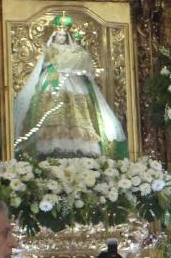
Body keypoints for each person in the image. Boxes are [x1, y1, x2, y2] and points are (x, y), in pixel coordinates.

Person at [9, 15, 128, 160]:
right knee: (52, 109)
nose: (61, 37)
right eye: (59, 35)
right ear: (54, 35)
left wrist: (75, 68)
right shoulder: (50, 49)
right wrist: (55, 78)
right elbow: (46, 65)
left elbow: (85, 64)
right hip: (54, 78)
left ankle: (78, 144)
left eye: (64, 35)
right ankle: (52, 144)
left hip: (74, 81)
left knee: (77, 110)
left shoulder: (75, 50)